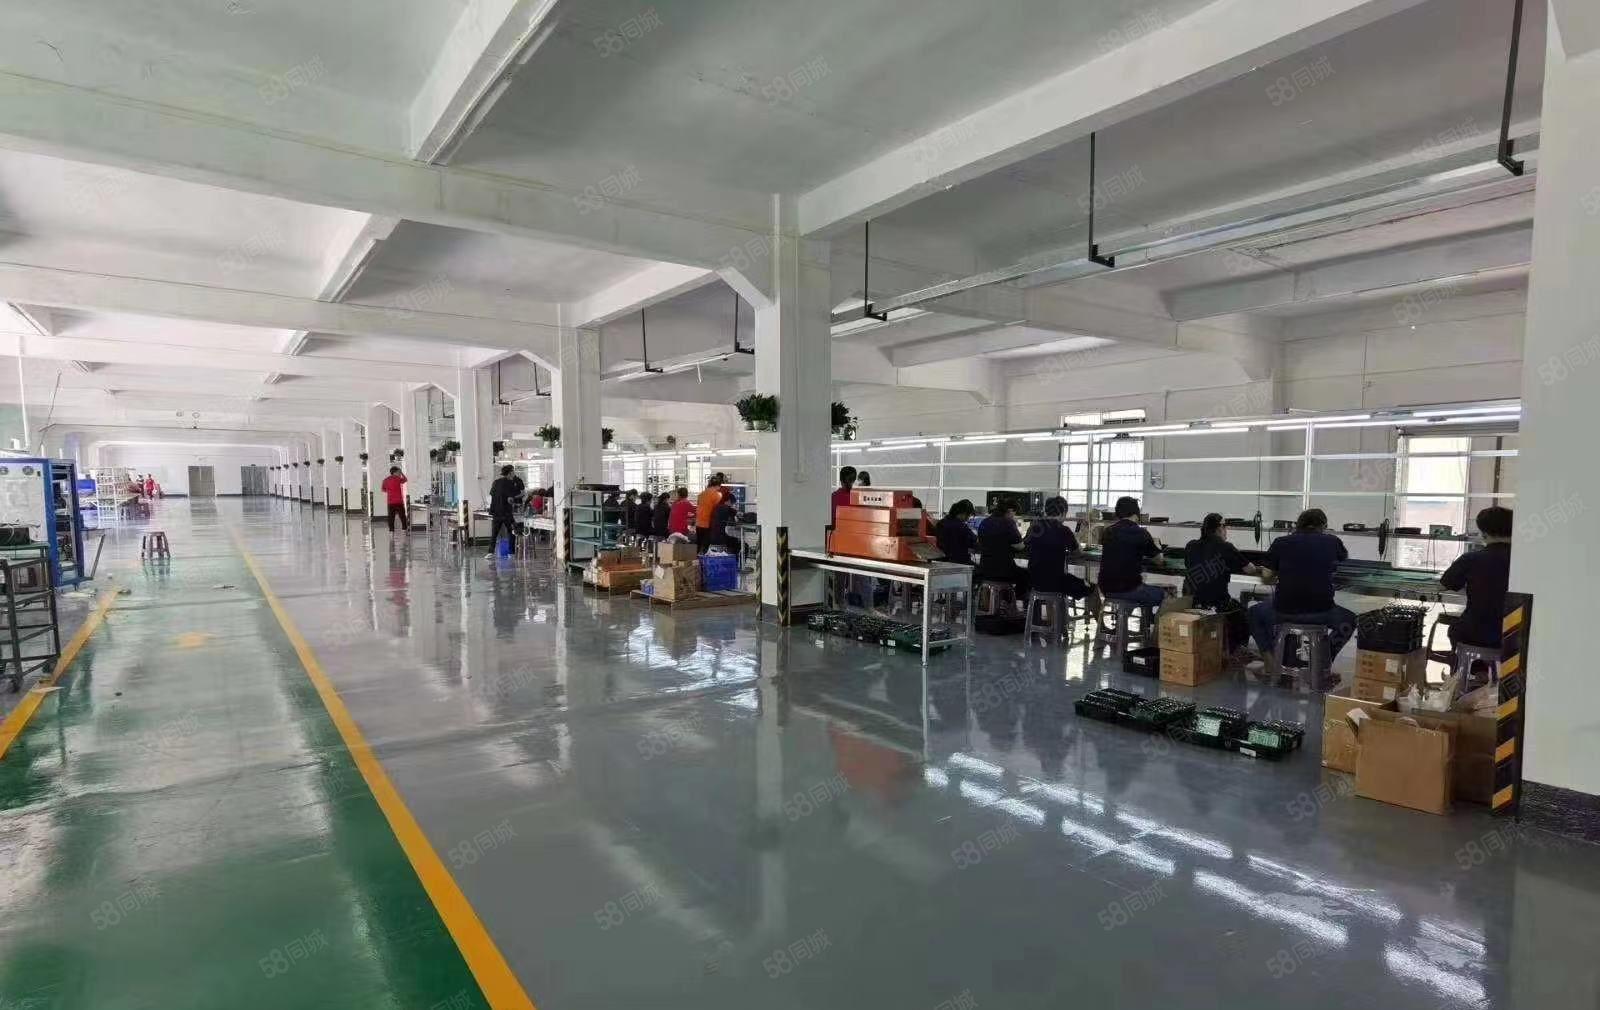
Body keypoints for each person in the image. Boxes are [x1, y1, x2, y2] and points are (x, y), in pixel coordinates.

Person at [1247, 508, 1355, 677]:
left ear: (1298, 525)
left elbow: (1267, 576)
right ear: (1323, 526)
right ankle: (1323, 661)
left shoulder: (1281, 542)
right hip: (1322, 612)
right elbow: (1341, 564)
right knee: (1350, 619)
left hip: (1284, 612)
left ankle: (1269, 661)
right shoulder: (1332, 541)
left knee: (1254, 612)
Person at [1440, 506, 1513, 666]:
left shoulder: (1471, 559)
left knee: (1456, 630)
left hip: (1475, 633)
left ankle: (1470, 674)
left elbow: (1447, 583)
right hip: (1513, 634)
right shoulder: (1524, 559)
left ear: (1484, 533)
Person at [1184, 512, 1261, 652]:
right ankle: (1236, 651)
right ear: (1219, 528)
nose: (1226, 530)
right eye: (1225, 526)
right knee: (1247, 616)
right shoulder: (1226, 547)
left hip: (1193, 602)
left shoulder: (1190, 546)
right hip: (1218, 605)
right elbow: (1250, 569)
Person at [1098, 496, 1164, 610]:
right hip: (1129, 589)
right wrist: (1157, 545)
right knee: (1165, 595)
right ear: (1136, 514)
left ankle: (1123, 621)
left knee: (1137, 590)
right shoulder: (1141, 533)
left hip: (1106, 588)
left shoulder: (1108, 531)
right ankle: (1152, 622)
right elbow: (1159, 561)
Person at [1026, 496, 1090, 600]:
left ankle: (1051, 610)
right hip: (1056, 582)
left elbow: (1025, 547)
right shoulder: (1064, 530)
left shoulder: (1034, 527)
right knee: (1090, 587)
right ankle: (1095, 612)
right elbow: (1078, 553)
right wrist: (1080, 534)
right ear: (1063, 512)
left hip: (1033, 580)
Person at [976, 500, 1029, 594]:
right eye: (1014, 513)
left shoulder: (985, 522)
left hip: (985, 569)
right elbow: (1020, 546)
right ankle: (1014, 600)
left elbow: (979, 542)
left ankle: (1001, 598)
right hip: (1003, 571)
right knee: (1025, 575)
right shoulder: (1008, 522)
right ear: (1010, 510)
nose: (1014, 516)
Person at [487, 465, 522, 554]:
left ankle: (490, 552)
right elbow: (510, 499)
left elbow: (492, 495)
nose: (514, 473)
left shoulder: (495, 482)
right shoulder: (510, 483)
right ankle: (511, 552)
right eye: (513, 471)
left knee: (494, 534)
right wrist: (520, 496)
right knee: (512, 531)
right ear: (510, 473)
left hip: (496, 512)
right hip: (506, 512)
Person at [935, 499, 978, 565]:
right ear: (963, 513)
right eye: (968, 515)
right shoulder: (961, 526)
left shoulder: (940, 523)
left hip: (942, 561)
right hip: (960, 563)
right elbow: (974, 542)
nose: (967, 519)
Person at [696, 476, 725, 554]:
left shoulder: (701, 494)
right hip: (708, 523)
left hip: (699, 523)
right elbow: (719, 509)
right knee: (706, 547)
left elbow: (699, 506)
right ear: (718, 486)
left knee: (699, 544)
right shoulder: (718, 495)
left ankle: (697, 559)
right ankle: (705, 559)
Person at [380, 466, 408, 532]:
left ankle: (391, 531)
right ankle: (404, 529)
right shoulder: (398, 479)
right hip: (399, 502)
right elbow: (405, 479)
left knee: (391, 517)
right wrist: (402, 473)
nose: (399, 473)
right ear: (395, 472)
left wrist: (390, 491)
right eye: (398, 472)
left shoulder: (385, 480)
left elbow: (383, 489)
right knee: (402, 516)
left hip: (390, 502)